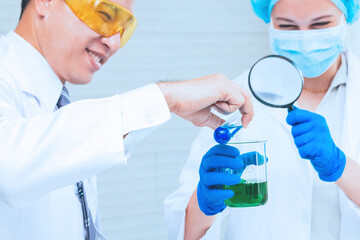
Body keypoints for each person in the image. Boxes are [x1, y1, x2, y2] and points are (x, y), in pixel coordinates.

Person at [0, 0, 254, 239]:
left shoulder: (58, 105)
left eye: (124, 28)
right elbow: (9, 165)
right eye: (104, 15)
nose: (114, 42)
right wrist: (167, 98)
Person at [164, 0, 360, 239]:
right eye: (287, 26)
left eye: (320, 24)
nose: (304, 38)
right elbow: (187, 230)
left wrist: (341, 167)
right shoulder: (234, 99)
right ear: (270, 23)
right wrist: (204, 201)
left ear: (345, 18)